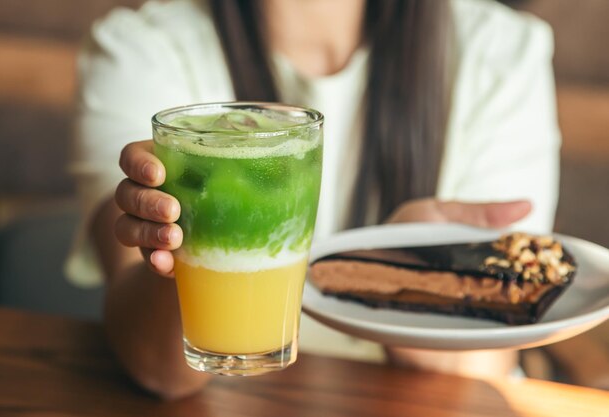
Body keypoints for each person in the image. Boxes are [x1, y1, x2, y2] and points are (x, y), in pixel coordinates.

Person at [67, 0, 560, 399]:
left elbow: (482, 366)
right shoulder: (140, 51)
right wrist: (177, 249)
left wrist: (403, 279)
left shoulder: (502, 52)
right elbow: (158, 369)